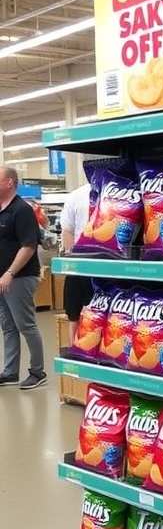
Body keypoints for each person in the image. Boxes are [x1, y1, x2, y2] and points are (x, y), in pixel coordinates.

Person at [0, 166, 47, 389]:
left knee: (25, 325)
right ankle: (10, 372)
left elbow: (28, 246)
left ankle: (38, 372)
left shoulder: (22, 210)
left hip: (18, 277)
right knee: (8, 326)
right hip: (2, 278)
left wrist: (10, 273)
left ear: (9, 182)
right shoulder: (1, 210)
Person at [59, 181, 92, 345]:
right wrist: (71, 260)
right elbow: (67, 230)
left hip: (107, 262)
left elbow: (67, 230)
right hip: (80, 261)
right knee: (74, 310)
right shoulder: (77, 196)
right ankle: (75, 348)